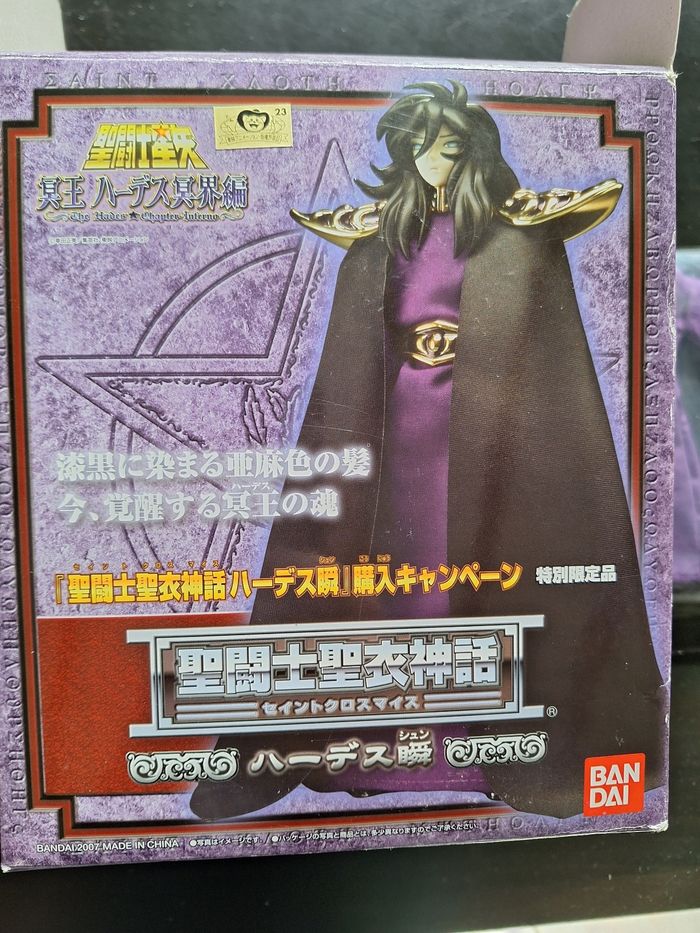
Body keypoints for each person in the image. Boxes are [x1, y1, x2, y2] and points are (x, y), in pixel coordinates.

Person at [191, 82, 663, 821]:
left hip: (493, 441)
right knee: (391, 581)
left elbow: (549, 373)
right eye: (418, 146)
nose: (431, 160)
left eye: (445, 146)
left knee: (483, 573)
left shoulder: (520, 240)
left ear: (473, 150)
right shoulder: (378, 243)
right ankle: (377, 753)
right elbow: (353, 365)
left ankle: (488, 754)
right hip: (395, 436)